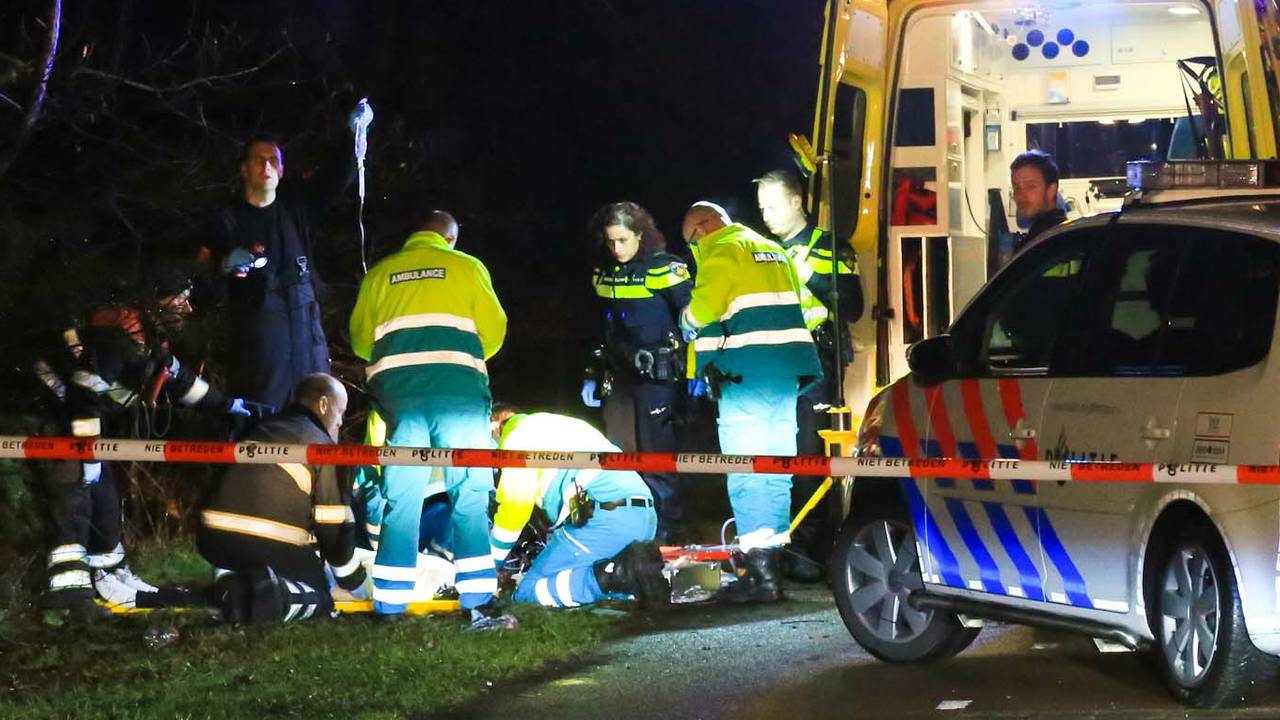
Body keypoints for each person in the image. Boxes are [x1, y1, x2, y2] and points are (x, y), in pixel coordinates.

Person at [35, 269, 249, 616]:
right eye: (181, 299)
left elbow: (181, 383)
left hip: (84, 434)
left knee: (104, 502)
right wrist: (87, 453)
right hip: (62, 432)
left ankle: (110, 578)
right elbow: (84, 396)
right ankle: (69, 599)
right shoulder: (117, 338)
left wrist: (232, 406)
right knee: (74, 503)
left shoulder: (147, 341)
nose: (188, 308)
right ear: (158, 302)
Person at [349, 209, 513, 629]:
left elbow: (361, 341)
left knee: (401, 497)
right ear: (451, 239)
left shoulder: (381, 274)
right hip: (458, 394)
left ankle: (388, 606)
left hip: (400, 399)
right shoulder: (466, 267)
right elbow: (494, 331)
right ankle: (477, 603)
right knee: (469, 494)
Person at [678, 202, 821, 603]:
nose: (694, 249)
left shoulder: (722, 250)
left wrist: (686, 321)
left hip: (746, 375)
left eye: (692, 241)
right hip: (785, 375)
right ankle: (770, 563)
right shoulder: (770, 248)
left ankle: (759, 575)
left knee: (745, 471)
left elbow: (704, 309)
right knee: (776, 469)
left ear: (704, 228)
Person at [204, 102, 368, 413]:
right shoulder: (228, 219)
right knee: (266, 428)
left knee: (317, 424)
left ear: (281, 170)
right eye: (258, 160)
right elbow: (211, 271)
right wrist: (227, 265)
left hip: (309, 345)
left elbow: (336, 178)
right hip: (262, 355)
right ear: (244, 169)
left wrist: (351, 130)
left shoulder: (297, 205)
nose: (266, 167)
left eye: (273, 161)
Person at [756, 169, 864, 581]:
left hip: (815, 363)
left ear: (797, 202)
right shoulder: (762, 249)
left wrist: (808, 276)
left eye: (773, 205)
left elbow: (852, 306)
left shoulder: (827, 246)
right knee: (774, 456)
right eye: (761, 208)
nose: (765, 215)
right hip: (771, 364)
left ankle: (808, 551)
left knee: (809, 459)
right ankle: (778, 545)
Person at [197, 373, 367, 624]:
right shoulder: (320, 445)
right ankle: (277, 597)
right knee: (321, 595)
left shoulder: (262, 427)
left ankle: (230, 583)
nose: (340, 422)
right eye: (340, 412)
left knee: (257, 564)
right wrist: (356, 584)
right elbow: (333, 532)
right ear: (323, 405)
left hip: (212, 540)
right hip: (263, 544)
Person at [582, 202, 693, 544]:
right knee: (620, 454)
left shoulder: (667, 269)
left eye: (623, 240)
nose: (616, 248)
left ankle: (668, 529)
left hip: (657, 377)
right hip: (618, 378)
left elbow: (693, 321)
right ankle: (629, 527)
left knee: (657, 457)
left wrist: (695, 373)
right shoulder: (604, 273)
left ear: (641, 235)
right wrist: (591, 371)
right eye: (611, 241)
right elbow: (597, 328)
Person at [489, 406, 669, 609]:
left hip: (605, 518)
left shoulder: (517, 438)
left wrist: (489, 564)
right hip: (643, 515)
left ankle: (619, 574)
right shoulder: (562, 424)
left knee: (527, 592)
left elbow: (514, 510)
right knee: (586, 577)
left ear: (494, 425)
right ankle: (628, 579)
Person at [1010, 150, 1067, 255]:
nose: (1021, 195)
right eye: (1017, 188)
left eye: (1030, 186)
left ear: (1051, 190)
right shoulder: (1036, 237)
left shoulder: (1051, 241)